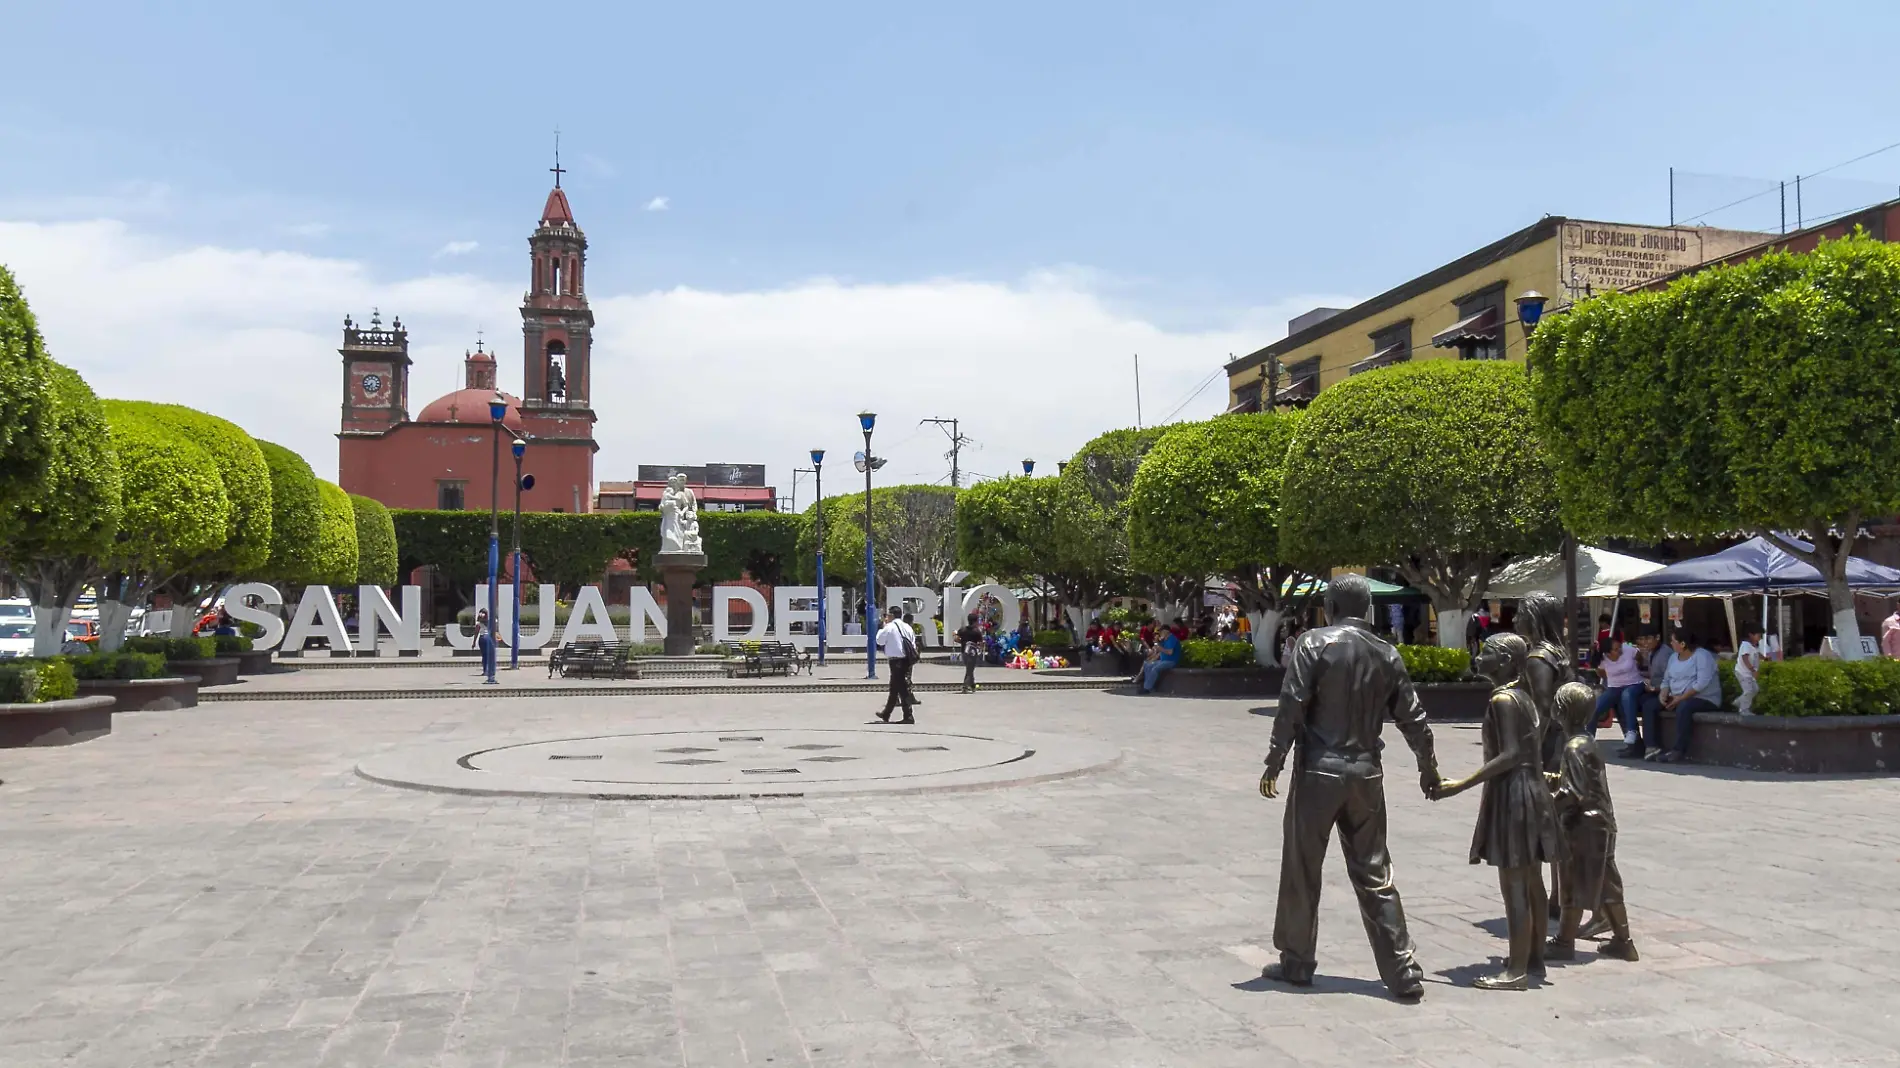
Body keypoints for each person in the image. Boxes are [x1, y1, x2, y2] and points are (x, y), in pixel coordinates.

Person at [1259, 574, 1439, 1001]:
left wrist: (1275, 758)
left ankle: (1297, 960)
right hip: (1365, 774)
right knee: (1375, 872)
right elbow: (1414, 718)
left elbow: (1292, 703)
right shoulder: (1387, 653)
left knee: (1303, 868)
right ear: (1368, 608)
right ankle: (1402, 968)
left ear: (1332, 607)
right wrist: (1427, 767)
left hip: (1319, 771)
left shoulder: (1313, 643)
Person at [1433, 632, 1563, 990]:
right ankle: (1533, 960)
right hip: (1532, 791)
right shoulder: (1524, 698)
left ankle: (1516, 970)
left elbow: (1508, 755)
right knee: (1532, 880)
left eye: (1487, 652)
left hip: (1515, 794)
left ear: (1506, 660)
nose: (1479, 656)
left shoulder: (1504, 700)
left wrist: (1460, 784)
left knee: (1515, 884)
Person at [1544, 682, 1639, 963]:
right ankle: (1624, 941)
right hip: (1603, 824)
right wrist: (1553, 778)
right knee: (1609, 885)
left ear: (1561, 712)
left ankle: (1564, 941)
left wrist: (1547, 806)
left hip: (1581, 827)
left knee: (1571, 884)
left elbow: (1573, 794)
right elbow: (1585, 782)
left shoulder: (1573, 747)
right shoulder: (1588, 743)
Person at [1641, 629, 1720, 763]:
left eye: (1673, 641)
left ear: (1683, 644)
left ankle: (1678, 750)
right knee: (1649, 705)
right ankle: (1652, 746)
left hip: (1703, 698)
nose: (1671, 643)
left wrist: (1680, 698)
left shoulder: (1702, 656)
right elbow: (1666, 680)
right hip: (1676, 696)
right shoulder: (1673, 657)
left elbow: (1701, 683)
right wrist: (1663, 693)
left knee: (1684, 707)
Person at [1595, 632, 1643, 744]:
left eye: (1619, 647)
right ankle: (1588, 737)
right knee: (1596, 707)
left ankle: (1631, 731)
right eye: (1616, 650)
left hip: (1634, 683)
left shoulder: (1628, 650)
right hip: (1614, 686)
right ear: (1608, 653)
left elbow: (1640, 659)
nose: (1620, 650)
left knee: (1626, 696)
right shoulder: (1602, 658)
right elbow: (1601, 673)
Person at [876, 607, 917, 724]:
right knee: (894, 687)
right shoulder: (907, 627)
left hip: (896, 661)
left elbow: (879, 641)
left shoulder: (889, 627)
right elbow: (913, 643)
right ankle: (886, 713)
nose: (886, 617)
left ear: (892, 615)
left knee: (902, 688)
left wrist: (883, 626)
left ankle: (908, 716)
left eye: (887, 615)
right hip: (907, 660)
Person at [1139, 623, 1183, 694]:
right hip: (1163, 660)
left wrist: (1160, 648)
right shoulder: (1164, 639)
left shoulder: (1172, 639)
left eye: (1162, 631)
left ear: (1167, 631)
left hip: (1171, 661)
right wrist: (1157, 641)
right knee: (1147, 665)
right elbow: (1158, 649)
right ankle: (1148, 686)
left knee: (1155, 669)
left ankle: (1146, 688)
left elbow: (1170, 652)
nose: (1160, 633)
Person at [1735, 622, 1765, 715]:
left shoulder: (1754, 646)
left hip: (1748, 674)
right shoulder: (1745, 645)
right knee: (1748, 690)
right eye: (1758, 635)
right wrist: (1752, 670)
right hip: (1743, 673)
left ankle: (1739, 701)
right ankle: (1743, 710)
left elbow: (1757, 654)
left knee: (1755, 689)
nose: (1760, 638)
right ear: (1750, 635)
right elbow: (1745, 658)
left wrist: (1765, 658)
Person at [956, 612, 984, 693]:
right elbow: (981, 643)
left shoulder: (962, 630)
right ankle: (965, 687)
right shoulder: (977, 632)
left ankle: (973, 686)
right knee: (969, 670)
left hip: (964, 652)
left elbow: (956, 639)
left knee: (969, 669)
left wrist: (963, 642)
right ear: (975, 621)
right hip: (972, 653)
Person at [475, 608, 496, 680]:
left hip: (482, 638)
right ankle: (490, 670)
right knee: (490, 655)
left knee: (484, 656)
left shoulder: (479, 624)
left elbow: (476, 633)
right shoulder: (489, 622)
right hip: (488, 638)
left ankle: (485, 670)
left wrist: (474, 642)